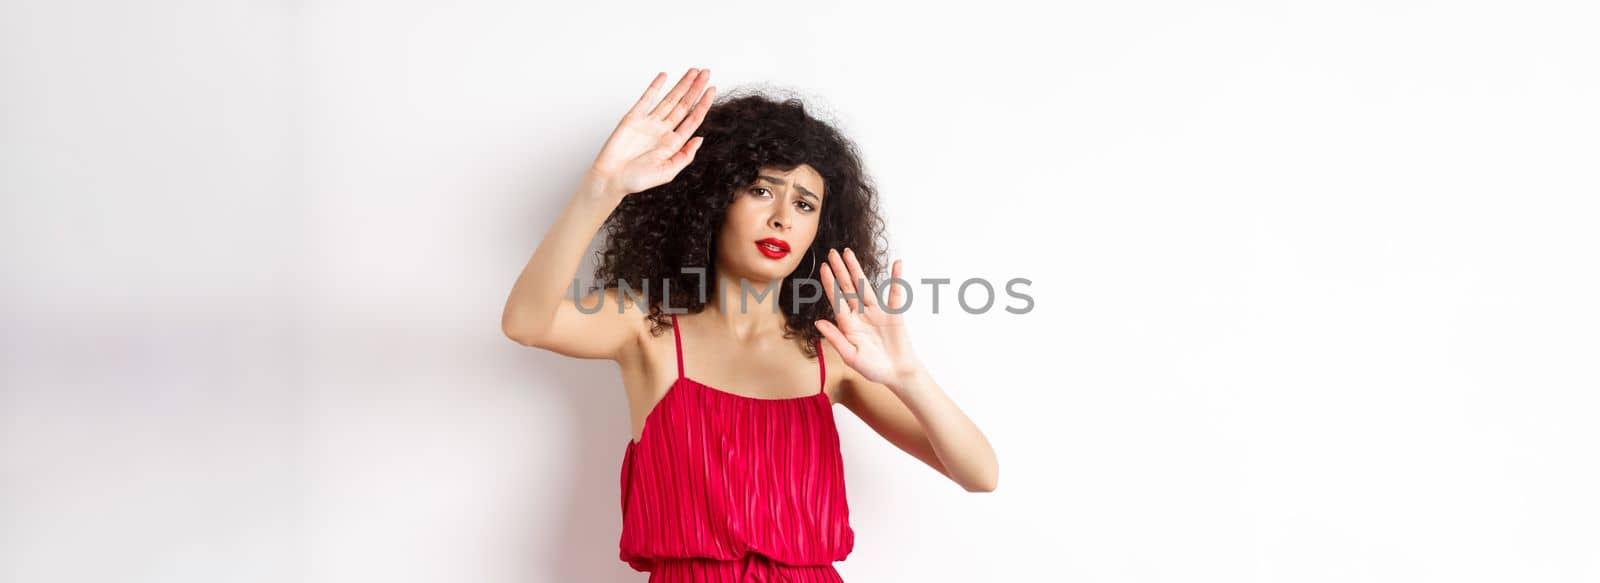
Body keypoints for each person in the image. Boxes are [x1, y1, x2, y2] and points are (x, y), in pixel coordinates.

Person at [501, 67, 999, 582]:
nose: (783, 216)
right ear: (714, 201)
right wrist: (601, 188)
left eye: (804, 204)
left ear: (818, 232)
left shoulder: (831, 355)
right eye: (762, 191)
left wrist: (907, 375)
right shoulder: (645, 329)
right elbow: (526, 323)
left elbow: (980, 475)